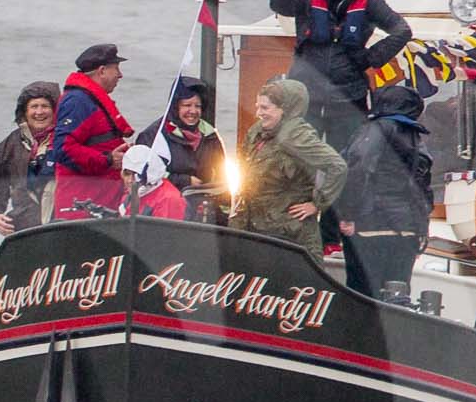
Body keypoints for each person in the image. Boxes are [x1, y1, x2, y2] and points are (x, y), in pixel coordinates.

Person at [269, 0, 414, 152]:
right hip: (306, 93)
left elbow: (402, 30)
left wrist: (370, 58)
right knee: (299, 154)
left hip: (348, 96)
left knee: (346, 156)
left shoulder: (371, 1)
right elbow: (279, 5)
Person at [334, 83, 435, 300]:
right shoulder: (416, 137)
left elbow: (358, 169)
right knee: (396, 298)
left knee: (362, 298)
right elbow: (424, 188)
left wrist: (347, 214)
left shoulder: (375, 129)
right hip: (407, 229)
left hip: (370, 224)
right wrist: (420, 229)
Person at [232, 77, 346, 257]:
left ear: (284, 109)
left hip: (290, 233)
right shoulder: (257, 131)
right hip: (255, 226)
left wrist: (317, 204)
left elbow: (337, 166)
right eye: (258, 106)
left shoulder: (296, 135)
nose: (258, 113)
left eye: (265, 108)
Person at [49, 44, 133, 220]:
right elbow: (63, 149)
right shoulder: (78, 102)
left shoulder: (89, 100)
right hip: (81, 209)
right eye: (116, 69)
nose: (120, 75)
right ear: (102, 71)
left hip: (99, 207)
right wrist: (108, 159)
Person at [133, 76, 226, 222]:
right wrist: (185, 180)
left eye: (198, 106)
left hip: (204, 210)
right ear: (175, 107)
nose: (193, 111)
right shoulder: (153, 135)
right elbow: (143, 177)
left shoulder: (210, 136)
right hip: (166, 212)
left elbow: (222, 174)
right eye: (187, 105)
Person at [0, 81, 58, 235]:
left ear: (55, 111)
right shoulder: (11, 145)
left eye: (45, 106)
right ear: (24, 112)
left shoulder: (67, 139)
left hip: (63, 224)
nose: (39, 112)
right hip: (24, 227)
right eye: (34, 107)